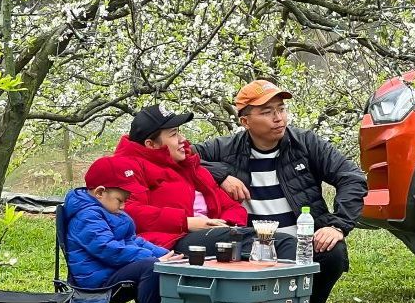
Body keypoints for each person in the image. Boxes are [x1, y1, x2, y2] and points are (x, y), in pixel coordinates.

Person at [194, 80, 367, 303]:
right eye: (267, 112)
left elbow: (351, 177)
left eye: (281, 109)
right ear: (245, 121)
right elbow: (182, 158)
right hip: (249, 243)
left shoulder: (306, 143)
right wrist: (221, 176)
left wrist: (337, 225)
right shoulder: (224, 149)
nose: (278, 118)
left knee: (333, 253)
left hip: (301, 240)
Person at [115, 103, 295, 259]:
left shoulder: (189, 167)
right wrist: (186, 223)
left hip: (212, 235)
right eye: (173, 134)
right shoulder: (128, 168)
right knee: (281, 244)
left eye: (179, 132)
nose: (182, 139)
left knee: (281, 245)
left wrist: (226, 224)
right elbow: (128, 211)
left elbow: (232, 206)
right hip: (171, 242)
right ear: (151, 144)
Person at [63, 155, 184, 303]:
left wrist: (165, 253)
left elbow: (133, 240)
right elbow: (108, 249)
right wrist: (155, 259)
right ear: (100, 192)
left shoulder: (110, 211)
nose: (123, 206)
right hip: (98, 281)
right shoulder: (86, 216)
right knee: (152, 267)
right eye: (120, 200)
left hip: (112, 271)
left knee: (160, 264)